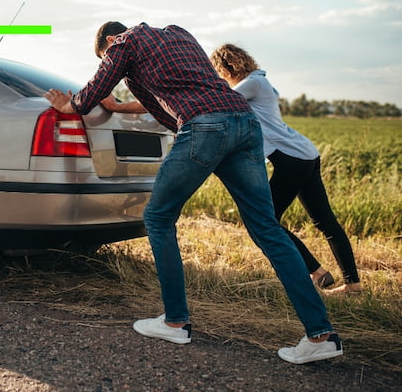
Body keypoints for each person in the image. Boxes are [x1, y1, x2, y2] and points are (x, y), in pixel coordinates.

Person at [45, 22, 343, 364]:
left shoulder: (124, 42)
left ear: (110, 40)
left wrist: (72, 106)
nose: (109, 57)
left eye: (105, 53)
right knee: (267, 228)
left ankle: (174, 321)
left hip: (205, 126)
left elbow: (96, 89)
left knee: (157, 217)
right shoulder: (179, 33)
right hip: (245, 123)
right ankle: (320, 335)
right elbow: (166, 103)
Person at [209, 44, 362, 295]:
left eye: (219, 71)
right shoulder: (259, 82)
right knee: (324, 221)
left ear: (227, 67)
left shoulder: (252, 84)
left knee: (264, 219)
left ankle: (317, 273)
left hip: (291, 159)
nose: (220, 76)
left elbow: (222, 101)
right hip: (304, 155)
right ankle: (349, 283)